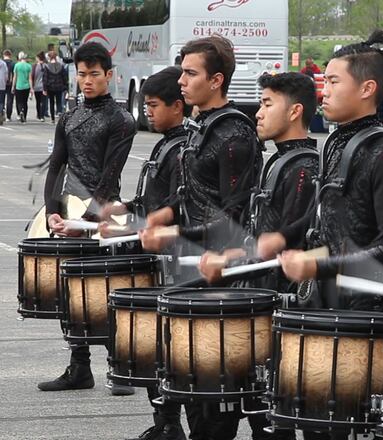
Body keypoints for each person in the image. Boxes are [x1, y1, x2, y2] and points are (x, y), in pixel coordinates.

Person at [140, 35, 261, 440]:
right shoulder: (199, 125)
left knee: (215, 394)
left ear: (216, 80)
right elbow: (192, 195)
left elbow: (233, 216)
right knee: (190, 383)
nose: (182, 81)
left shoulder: (233, 134)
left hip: (220, 277)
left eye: (191, 73)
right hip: (189, 271)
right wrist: (165, 213)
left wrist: (177, 231)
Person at [197, 71, 319, 440]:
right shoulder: (280, 162)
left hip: (278, 309)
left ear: (295, 111)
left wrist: (235, 257)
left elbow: (284, 239)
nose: (258, 113)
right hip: (258, 300)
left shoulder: (304, 167)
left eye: (267, 104)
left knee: (268, 420)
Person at [273, 30, 383, 314]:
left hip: (365, 313)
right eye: (325, 82)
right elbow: (333, 233)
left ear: (366, 89)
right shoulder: (335, 143)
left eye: (333, 82)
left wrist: (319, 264)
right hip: (324, 302)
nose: (323, 92)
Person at [37, 42, 137, 394]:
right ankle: (79, 367)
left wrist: (87, 219)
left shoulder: (122, 120)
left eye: (95, 74)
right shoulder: (67, 118)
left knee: (106, 292)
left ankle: (118, 367)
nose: (87, 81)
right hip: (68, 213)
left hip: (104, 216)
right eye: (81, 74)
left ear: (109, 75)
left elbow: (110, 176)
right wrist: (52, 211)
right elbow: (56, 167)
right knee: (69, 293)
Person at [107, 66, 190, 440]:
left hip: (174, 264)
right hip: (157, 258)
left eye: (154, 105)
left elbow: (177, 205)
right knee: (155, 350)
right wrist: (125, 209)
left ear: (178, 105)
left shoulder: (183, 148)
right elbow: (151, 201)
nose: (148, 112)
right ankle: (165, 423)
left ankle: (172, 422)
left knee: (168, 350)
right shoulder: (166, 143)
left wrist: (138, 225)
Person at [43, 50, 68, 122]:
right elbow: (64, 77)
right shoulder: (61, 66)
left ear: (49, 57)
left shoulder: (47, 66)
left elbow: (45, 78)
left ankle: (52, 118)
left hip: (50, 87)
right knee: (59, 101)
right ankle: (59, 113)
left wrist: (44, 88)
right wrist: (65, 86)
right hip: (59, 86)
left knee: (51, 102)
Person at [12, 51, 31, 123]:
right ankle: (25, 116)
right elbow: (30, 78)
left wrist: (13, 86)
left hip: (18, 86)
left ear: (19, 58)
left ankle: (20, 111)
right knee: (25, 102)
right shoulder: (29, 66)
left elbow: (15, 77)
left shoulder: (17, 65)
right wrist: (31, 88)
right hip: (26, 86)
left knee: (19, 101)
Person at [32, 51, 47, 122]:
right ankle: (42, 115)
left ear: (38, 58)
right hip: (44, 87)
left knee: (38, 101)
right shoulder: (46, 66)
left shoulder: (35, 66)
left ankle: (38, 114)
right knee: (43, 101)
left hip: (36, 86)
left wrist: (32, 86)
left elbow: (32, 76)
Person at [3, 49, 14, 121]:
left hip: (2, 83)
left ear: (4, 55)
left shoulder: (1, 63)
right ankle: (8, 116)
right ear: (10, 55)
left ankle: (1, 113)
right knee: (10, 100)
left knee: (1, 100)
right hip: (11, 83)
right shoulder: (13, 64)